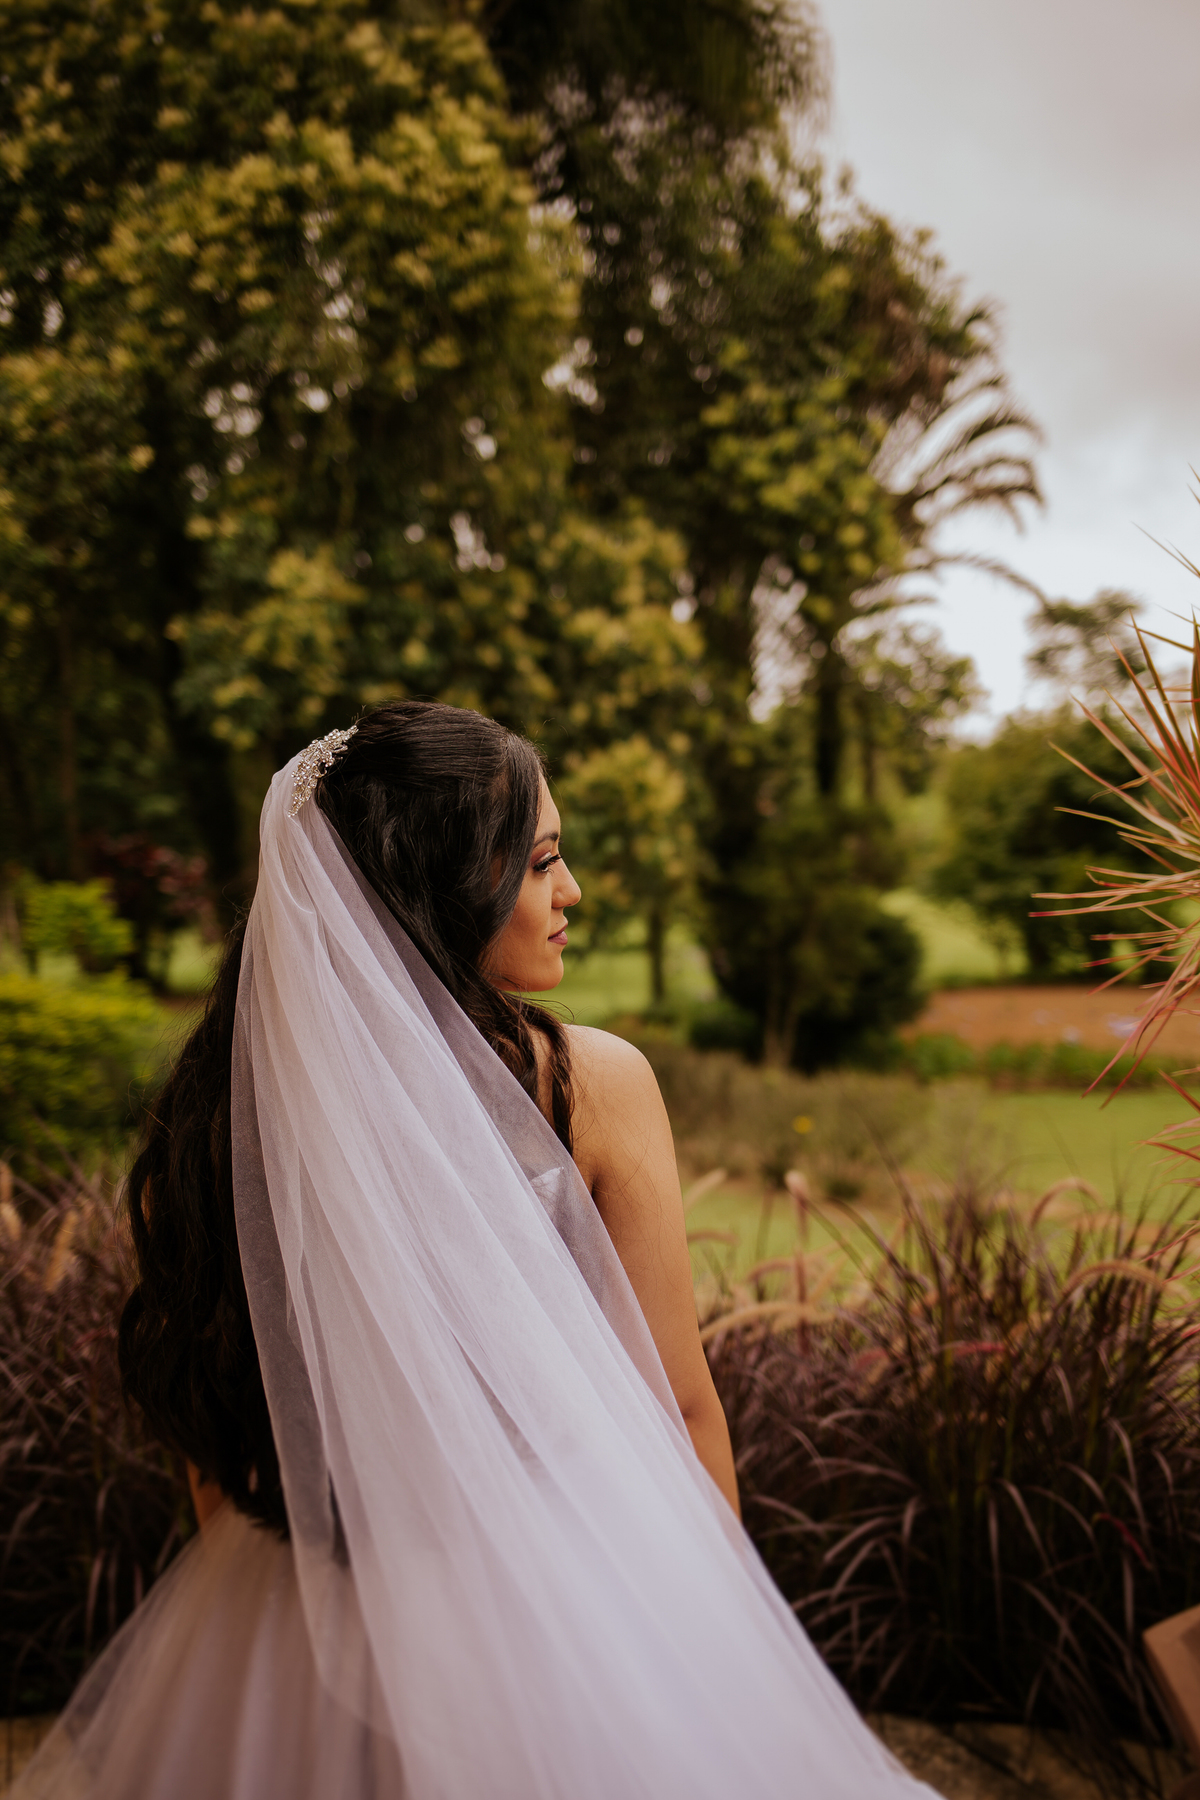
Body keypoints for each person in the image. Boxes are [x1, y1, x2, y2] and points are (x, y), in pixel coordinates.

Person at [12, 702, 939, 1799]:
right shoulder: (592, 1088)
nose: (571, 890)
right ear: (440, 886)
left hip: (291, 1613)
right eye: (541, 861)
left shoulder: (219, 1126)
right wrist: (729, 1662)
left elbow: (215, 1432)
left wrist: (289, 1659)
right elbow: (682, 1407)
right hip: (566, 1608)